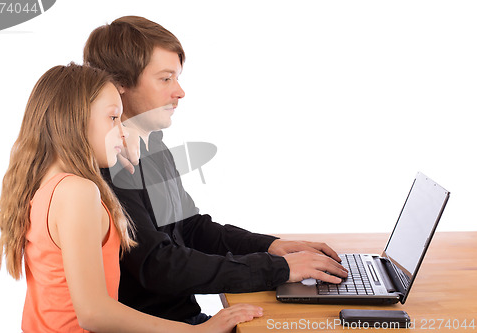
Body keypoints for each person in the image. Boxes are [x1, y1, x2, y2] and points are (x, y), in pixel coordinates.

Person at [83, 16, 348, 324]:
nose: (179, 92)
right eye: (165, 79)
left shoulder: (153, 145)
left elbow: (190, 228)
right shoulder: (108, 166)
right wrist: (278, 269)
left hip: (185, 319)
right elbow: (157, 266)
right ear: (121, 85)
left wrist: (271, 247)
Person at [0, 63, 263, 332]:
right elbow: (93, 313)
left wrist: (126, 144)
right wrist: (197, 331)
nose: (123, 130)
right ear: (73, 119)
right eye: (113, 118)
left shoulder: (46, 187)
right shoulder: (78, 192)